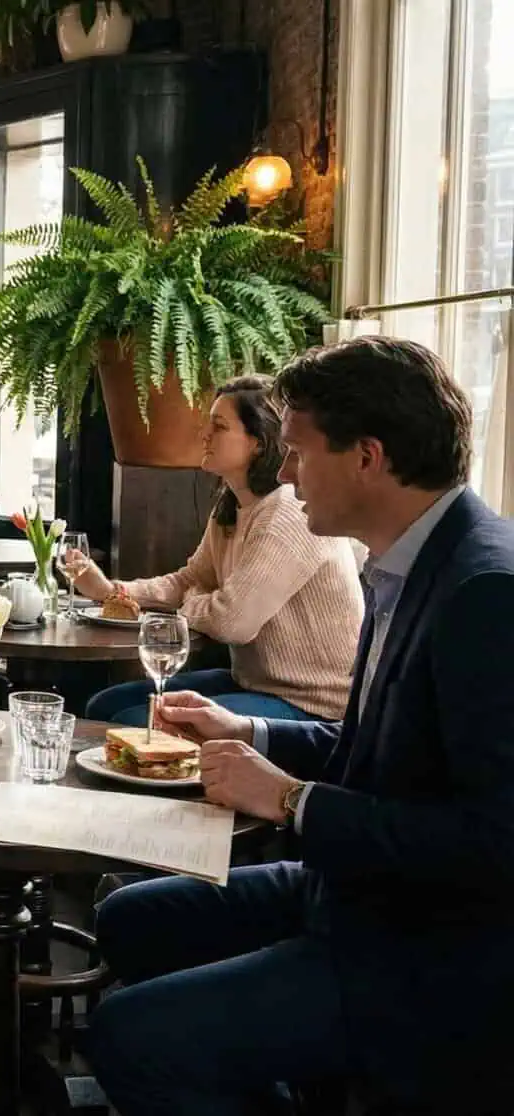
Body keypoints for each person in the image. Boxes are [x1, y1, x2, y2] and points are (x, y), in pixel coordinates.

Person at [87, 337, 514, 1114]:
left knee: (127, 1034)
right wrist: (248, 734)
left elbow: (496, 842)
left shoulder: (485, 592)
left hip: (424, 951)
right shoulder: (404, 563)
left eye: (297, 451)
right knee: (127, 917)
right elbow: (373, 752)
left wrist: (291, 803)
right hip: (358, 890)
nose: (282, 474)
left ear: (367, 458)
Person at [69, 375, 362, 726]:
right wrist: (112, 590)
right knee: (103, 707)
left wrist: (192, 601)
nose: (204, 435)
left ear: (258, 441)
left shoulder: (286, 511)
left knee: (134, 720)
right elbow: (192, 578)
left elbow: (232, 622)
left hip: (311, 706)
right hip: (254, 684)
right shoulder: (232, 504)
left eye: (219, 426)